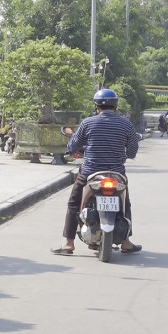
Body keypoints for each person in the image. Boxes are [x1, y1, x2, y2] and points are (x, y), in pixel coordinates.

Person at [51, 89, 142, 255]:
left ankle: (68, 244)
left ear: (96, 106)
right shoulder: (126, 124)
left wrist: (72, 149)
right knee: (124, 204)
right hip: (116, 173)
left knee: (74, 203)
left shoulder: (88, 123)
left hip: (90, 172)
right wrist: (126, 154)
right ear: (116, 105)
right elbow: (133, 149)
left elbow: (73, 146)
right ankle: (126, 242)